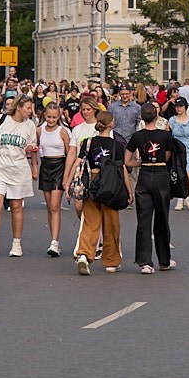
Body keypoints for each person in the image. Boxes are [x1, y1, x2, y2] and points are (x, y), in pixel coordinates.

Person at [68, 110, 126, 274]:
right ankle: (111, 261)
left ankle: (84, 255)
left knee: (90, 222)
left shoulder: (88, 142)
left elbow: (78, 162)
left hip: (92, 182)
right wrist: (128, 190)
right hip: (111, 183)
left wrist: (68, 182)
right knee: (112, 224)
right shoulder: (117, 145)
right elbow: (122, 169)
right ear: (111, 124)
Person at [125, 102, 179, 273]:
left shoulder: (137, 136)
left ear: (141, 117)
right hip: (161, 175)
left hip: (145, 174)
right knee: (162, 219)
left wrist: (139, 162)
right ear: (157, 116)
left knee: (144, 220)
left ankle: (145, 262)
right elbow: (169, 155)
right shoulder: (165, 136)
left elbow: (127, 160)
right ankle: (164, 260)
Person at [0, 96, 37, 258]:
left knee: (16, 206)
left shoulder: (30, 126)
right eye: (27, 107)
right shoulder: (1, 120)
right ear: (19, 107)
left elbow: (31, 147)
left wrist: (35, 166)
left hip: (18, 169)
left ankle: (16, 243)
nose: (30, 111)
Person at [37, 101, 76, 251]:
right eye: (49, 117)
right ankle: (53, 238)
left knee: (55, 206)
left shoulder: (63, 131)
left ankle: (55, 242)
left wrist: (68, 175)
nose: (51, 120)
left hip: (59, 166)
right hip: (45, 166)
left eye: (54, 117)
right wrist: (35, 165)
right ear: (45, 116)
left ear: (58, 117)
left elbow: (70, 153)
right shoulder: (39, 130)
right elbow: (36, 149)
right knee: (49, 206)